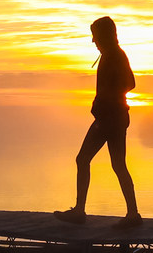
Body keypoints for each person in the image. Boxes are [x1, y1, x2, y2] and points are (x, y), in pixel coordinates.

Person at [54, 16, 140, 226]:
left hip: (111, 119)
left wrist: (107, 101)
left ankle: (82, 212)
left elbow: (130, 83)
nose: (93, 41)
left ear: (104, 35)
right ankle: (132, 214)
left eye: (95, 36)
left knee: (85, 160)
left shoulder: (115, 56)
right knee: (115, 164)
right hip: (112, 117)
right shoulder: (111, 55)